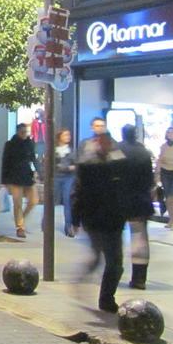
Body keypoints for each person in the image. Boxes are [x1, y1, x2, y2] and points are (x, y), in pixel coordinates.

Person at [72, 121, 126, 313]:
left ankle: (105, 298)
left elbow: (125, 190)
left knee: (112, 262)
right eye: (99, 140)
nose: (103, 144)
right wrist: (75, 219)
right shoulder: (88, 167)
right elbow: (78, 192)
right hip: (95, 219)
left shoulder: (118, 163)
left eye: (106, 141)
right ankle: (105, 299)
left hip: (113, 219)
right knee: (111, 261)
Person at [120, 124, 154, 290]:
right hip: (140, 201)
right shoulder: (144, 152)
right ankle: (139, 278)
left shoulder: (117, 150)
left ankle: (114, 272)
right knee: (140, 239)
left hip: (118, 201)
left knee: (114, 239)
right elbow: (150, 179)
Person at [1, 123, 38, 238]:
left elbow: (33, 159)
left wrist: (38, 171)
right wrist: (4, 180)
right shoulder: (10, 144)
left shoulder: (30, 143)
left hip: (28, 176)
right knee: (17, 203)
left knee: (34, 200)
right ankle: (20, 227)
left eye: (26, 132)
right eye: (22, 132)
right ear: (17, 132)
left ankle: (21, 218)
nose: (24, 134)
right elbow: (5, 162)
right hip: (14, 177)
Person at [55, 128, 77, 237]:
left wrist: (65, 167)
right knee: (51, 201)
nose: (68, 137)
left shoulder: (71, 150)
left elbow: (75, 165)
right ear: (59, 137)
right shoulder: (54, 150)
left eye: (69, 135)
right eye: (65, 135)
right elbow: (52, 165)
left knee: (67, 201)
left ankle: (68, 226)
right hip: (56, 178)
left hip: (68, 178)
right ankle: (45, 222)